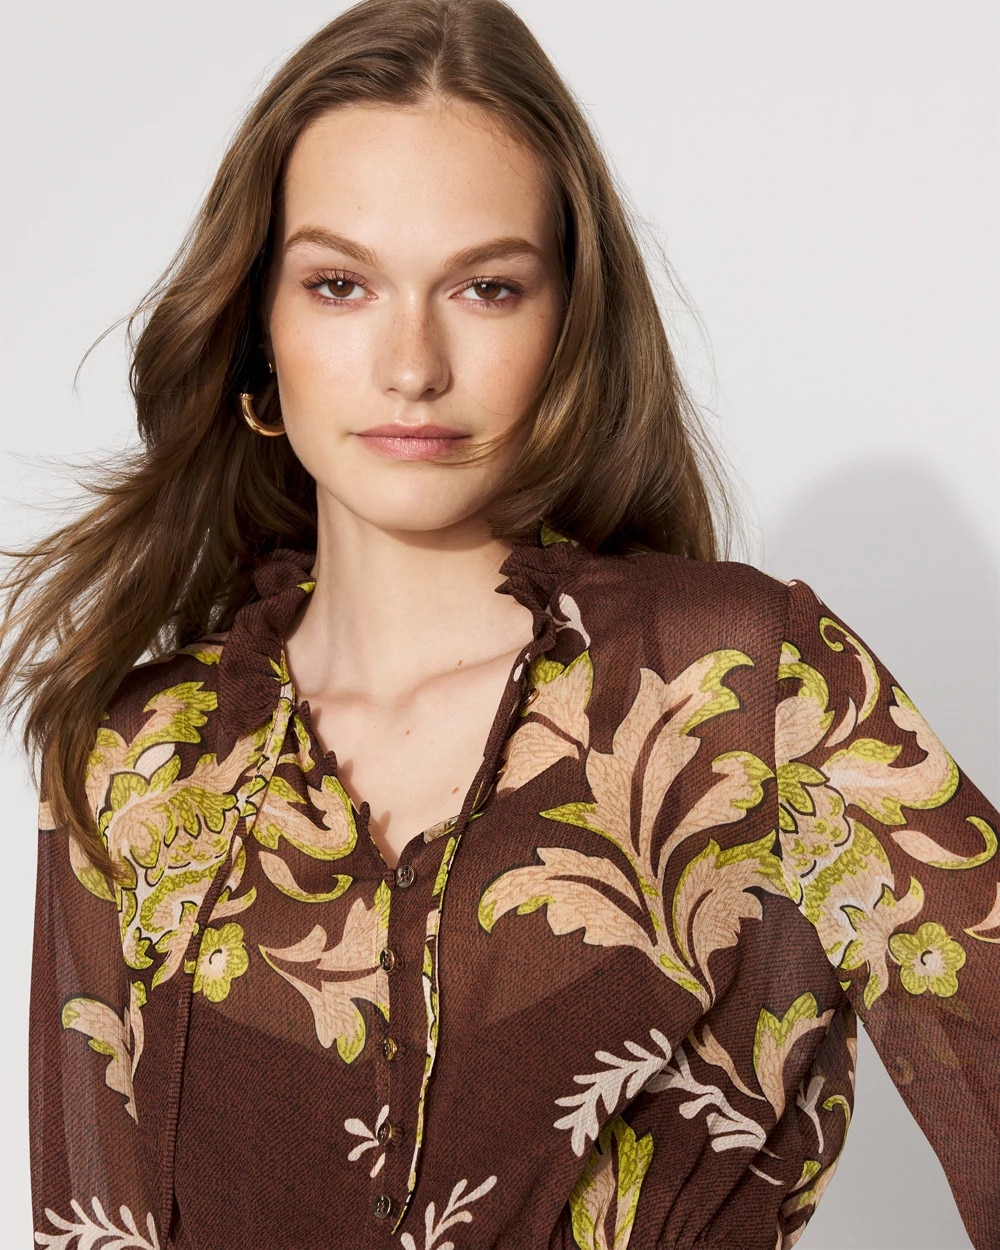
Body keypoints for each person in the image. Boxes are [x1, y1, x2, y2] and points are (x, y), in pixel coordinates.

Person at [3, 1, 996, 1247]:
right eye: (340, 284)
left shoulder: (744, 691)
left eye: (485, 286)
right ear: (261, 328)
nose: (412, 364)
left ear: (567, 322)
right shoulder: (141, 761)